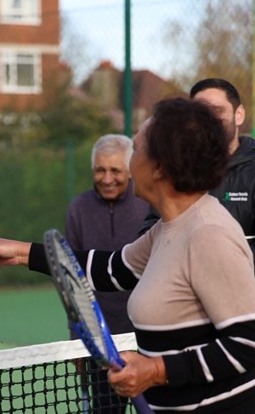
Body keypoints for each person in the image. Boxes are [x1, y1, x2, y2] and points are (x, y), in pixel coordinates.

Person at [0, 98, 255, 413]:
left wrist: (155, 370)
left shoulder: (208, 233)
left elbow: (250, 345)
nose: (128, 162)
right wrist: (22, 253)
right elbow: (113, 269)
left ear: (160, 167)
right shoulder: (169, 227)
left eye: (135, 150)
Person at [140, 78, 255, 312]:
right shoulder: (174, 174)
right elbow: (149, 236)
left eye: (217, 111)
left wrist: (209, 262)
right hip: (181, 313)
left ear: (239, 115)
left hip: (246, 311)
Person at [66, 133, 148, 413]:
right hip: (101, 342)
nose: (107, 178)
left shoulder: (148, 203)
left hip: (147, 338)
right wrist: (76, 339)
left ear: (129, 171)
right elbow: (71, 279)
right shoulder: (78, 209)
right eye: (100, 170)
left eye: (115, 170)